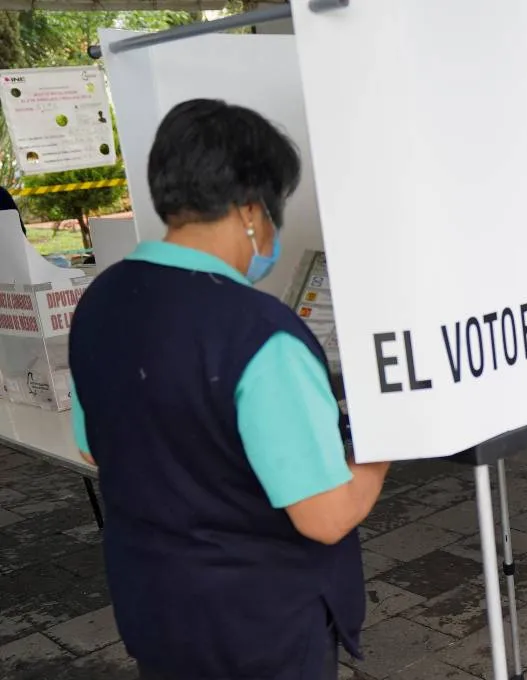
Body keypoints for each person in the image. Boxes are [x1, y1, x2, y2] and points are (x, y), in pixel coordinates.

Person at [68, 99, 389, 679]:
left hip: (156, 607)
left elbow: (93, 445)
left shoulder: (101, 300)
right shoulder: (261, 335)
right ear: (250, 208)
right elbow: (326, 516)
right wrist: (387, 437)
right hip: (260, 628)